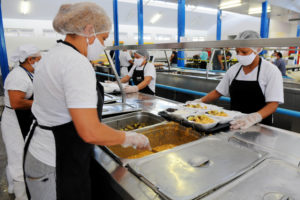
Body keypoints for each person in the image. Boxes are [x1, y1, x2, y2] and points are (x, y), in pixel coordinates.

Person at [23, 3, 150, 200]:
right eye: (104, 38)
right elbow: (89, 131)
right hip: (56, 163)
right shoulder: (76, 63)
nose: (104, 45)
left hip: (43, 152)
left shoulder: (53, 54)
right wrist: (129, 138)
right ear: (89, 30)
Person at [187, 30, 284, 130]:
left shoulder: (271, 71)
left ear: (257, 49)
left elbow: (273, 104)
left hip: (261, 127)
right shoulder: (234, 70)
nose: (240, 55)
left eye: (244, 52)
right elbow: (218, 92)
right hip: (235, 124)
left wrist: (253, 118)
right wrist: (199, 101)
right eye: (237, 52)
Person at [1, 44, 41, 200]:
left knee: (16, 154)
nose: (40, 62)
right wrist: (41, 103)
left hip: (22, 118)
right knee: (17, 156)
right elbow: (16, 102)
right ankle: (21, 195)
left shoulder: (28, 72)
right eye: (39, 59)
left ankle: (12, 186)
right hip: (14, 121)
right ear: (30, 59)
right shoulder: (18, 76)